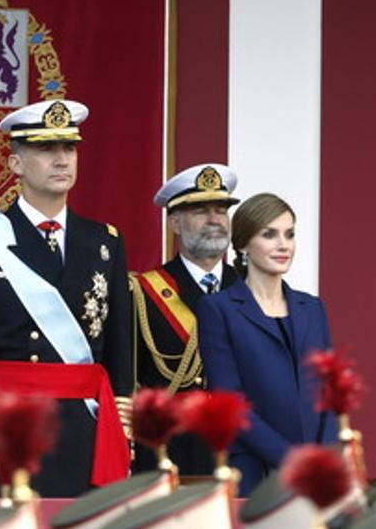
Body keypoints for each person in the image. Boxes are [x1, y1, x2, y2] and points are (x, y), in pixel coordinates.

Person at [0, 99, 133, 497]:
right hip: (5, 434)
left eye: (69, 148)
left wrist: (122, 439)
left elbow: (119, 356)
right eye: (44, 149)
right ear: (15, 164)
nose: (61, 159)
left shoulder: (104, 242)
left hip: (85, 438)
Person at [197, 192, 335, 495]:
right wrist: (290, 460)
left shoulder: (312, 308)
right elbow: (231, 403)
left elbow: (329, 393)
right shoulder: (218, 309)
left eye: (290, 234)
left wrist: (324, 456)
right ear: (243, 244)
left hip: (318, 472)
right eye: (269, 235)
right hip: (255, 472)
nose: (283, 244)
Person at [132, 162, 241, 474]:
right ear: (175, 223)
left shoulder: (251, 289)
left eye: (221, 210)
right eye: (200, 211)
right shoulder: (142, 292)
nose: (214, 221)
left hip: (239, 451)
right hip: (171, 454)